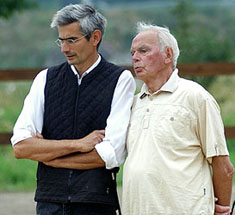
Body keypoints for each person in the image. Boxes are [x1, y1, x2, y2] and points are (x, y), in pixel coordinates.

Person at [11, 4, 136, 215]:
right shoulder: (45, 79)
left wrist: (48, 155)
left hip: (95, 201)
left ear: (95, 38)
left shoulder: (120, 80)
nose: (64, 49)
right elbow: (21, 147)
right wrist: (78, 144)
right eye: (61, 40)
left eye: (72, 40)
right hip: (48, 202)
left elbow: (110, 154)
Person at [122, 22, 234, 215]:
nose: (135, 58)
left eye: (143, 50)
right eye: (133, 53)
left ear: (168, 54)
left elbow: (223, 166)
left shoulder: (195, 97)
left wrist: (222, 209)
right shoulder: (134, 103)